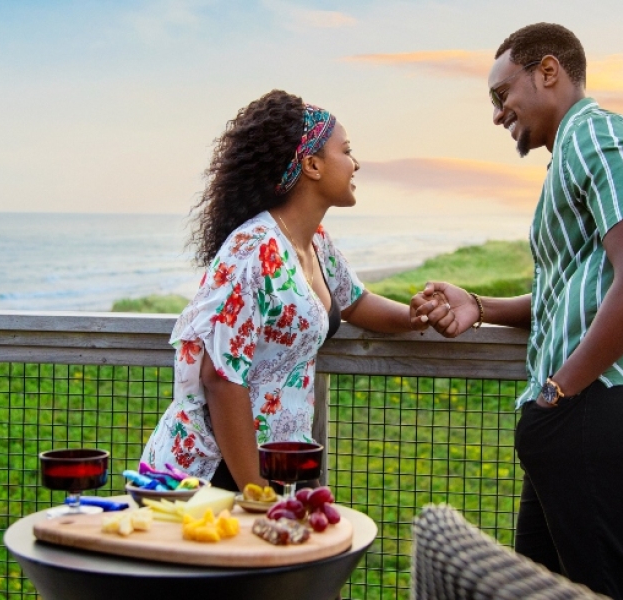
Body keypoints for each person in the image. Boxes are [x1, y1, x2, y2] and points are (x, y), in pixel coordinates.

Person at [411, 23, 623, 600]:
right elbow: (572, 293)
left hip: (605, 399)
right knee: (540, 589)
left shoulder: (596, 136)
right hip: (587, 409)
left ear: (548, 71)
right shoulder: (573, 151)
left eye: (501, 94)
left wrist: (557, 393)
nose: (497, 114)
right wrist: (481, 305)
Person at [142, 89, 425, 492]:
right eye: (346, 151)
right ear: (311, 164)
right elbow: (220, 376)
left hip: (271, 463)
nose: (356, 163)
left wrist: (414, 317)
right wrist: (256, 492)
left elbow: (355, 301)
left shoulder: (313, 241)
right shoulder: (252, 250)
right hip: (217, 473)